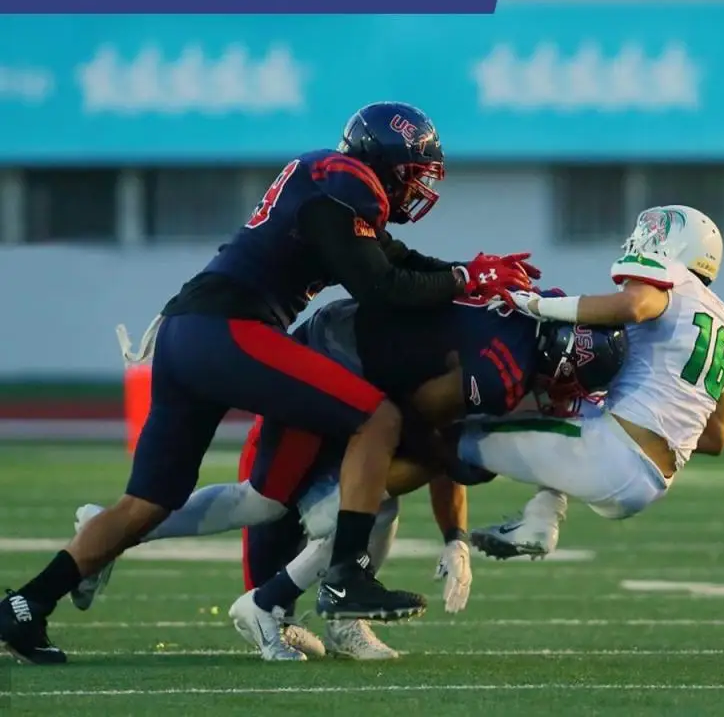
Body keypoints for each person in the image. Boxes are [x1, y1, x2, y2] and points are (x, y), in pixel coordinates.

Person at [0, 101, 534, 665]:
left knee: (147, 505)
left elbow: (400, 260)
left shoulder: (334, 181)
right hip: (229, 329)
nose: (417, 188)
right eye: (413, 173)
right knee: (379, 417)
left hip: (192, 333)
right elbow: (383, 286)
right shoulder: (346, 183)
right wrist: (461, 278)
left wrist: (471, 275)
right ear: (385, 160)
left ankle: (26, 606)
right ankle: (346, 577)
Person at [470, 205, 724, 559]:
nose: (643, 239)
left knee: (458, 437)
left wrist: (535, 305)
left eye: (656, 233)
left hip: (612, 454)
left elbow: (633, 306)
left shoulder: (672, 283)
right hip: (650, 484)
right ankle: (540, 520)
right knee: (574, 407)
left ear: (681, 245)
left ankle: (375, 515)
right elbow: (715, 437)